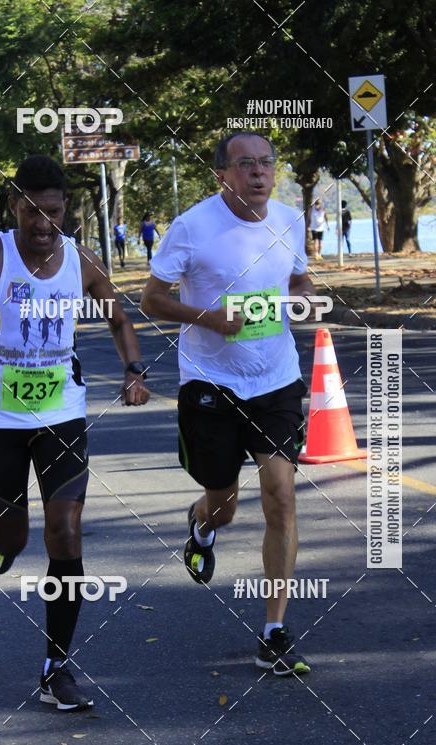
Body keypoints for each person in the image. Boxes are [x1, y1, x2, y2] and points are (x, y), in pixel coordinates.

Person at [0, 155, 150, 711]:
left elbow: (117, 317)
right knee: (13, 539)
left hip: (62, 414)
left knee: (64, 532)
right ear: (14, 207)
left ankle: (56, 667)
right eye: (31, 211)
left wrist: (134, 370)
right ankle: (0, 540)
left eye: (54, 212)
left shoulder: (81, 261)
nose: (43, 224)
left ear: (67, 210)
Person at [141, 131, 313, 676]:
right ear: (223, 173)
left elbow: (300, 278)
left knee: (281, 496)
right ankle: (201, 524)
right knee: (224, 501)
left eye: (266, 163)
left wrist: (305, 299)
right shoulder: (193, 227)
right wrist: (210, 318)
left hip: (277, 378)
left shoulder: (288, 219)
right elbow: (151, 299)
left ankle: (274, 630)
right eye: (246, 164)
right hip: (211, 381)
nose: (259, 173)